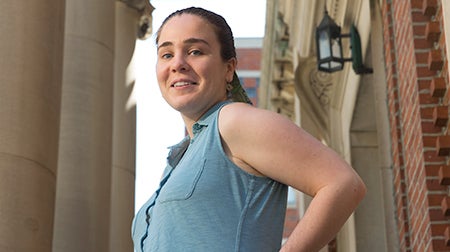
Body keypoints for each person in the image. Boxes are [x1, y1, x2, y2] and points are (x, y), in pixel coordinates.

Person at [132, 6, 366, 252]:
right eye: (166, 54)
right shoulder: (178, 160)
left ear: (229, 68)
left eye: (195, 51)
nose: (178, 63)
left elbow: (342, 183)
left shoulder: (233, 122)